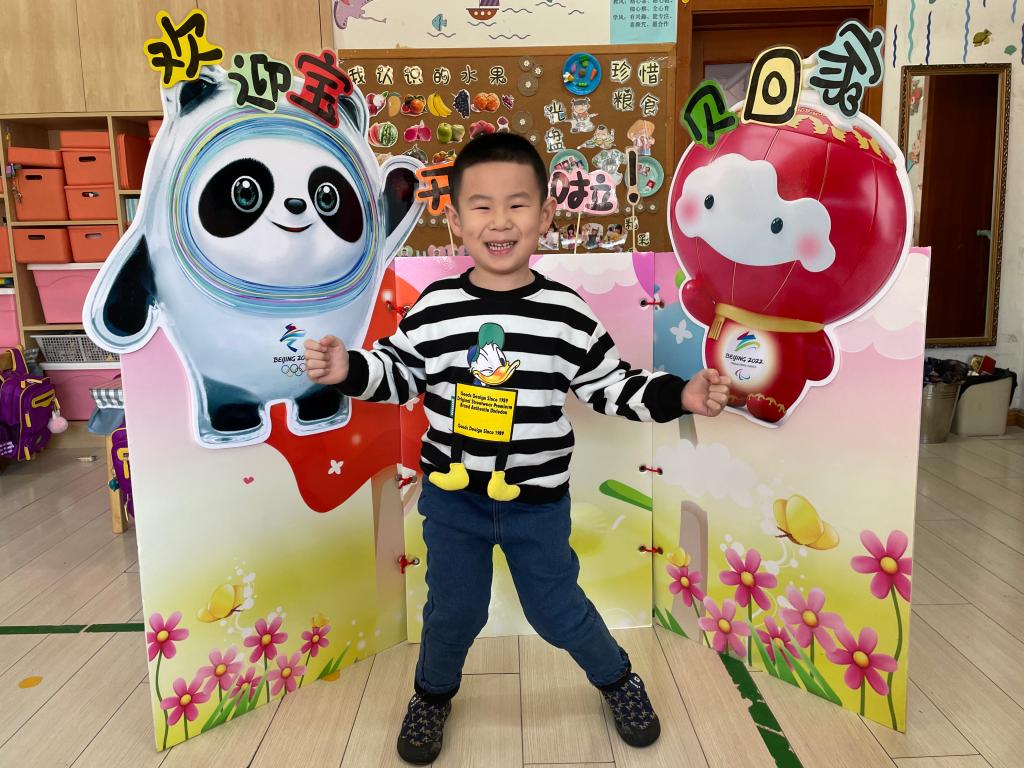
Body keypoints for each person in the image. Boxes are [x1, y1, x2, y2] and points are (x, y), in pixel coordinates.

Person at [304, 133, 732, 765]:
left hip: (536, 502)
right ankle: (431, 695)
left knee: (557, 610)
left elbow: (612, 385)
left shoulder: (565, 314)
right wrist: (349, 369)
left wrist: (681, 395)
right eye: (481, 205)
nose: (499, 221)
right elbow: (398, 374)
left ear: (546, 215)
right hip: (453, 499)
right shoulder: (436, 309)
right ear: (455, 220)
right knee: (454, 612)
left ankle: (618, 678)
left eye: (517, 204)